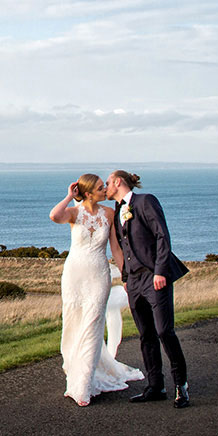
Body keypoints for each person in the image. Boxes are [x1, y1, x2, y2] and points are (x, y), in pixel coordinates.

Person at [49, 173, 142, 406]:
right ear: (89, 193)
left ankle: (83, 387)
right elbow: (54, 215)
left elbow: (116, 250)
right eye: (101, 188)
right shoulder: (74, 212)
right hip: (74, 275)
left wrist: (126, 277)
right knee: (74, 323)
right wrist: (70, 195)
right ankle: (75, 370)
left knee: (93, 324)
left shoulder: (109, 214)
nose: (105, 190)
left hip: (99, 275)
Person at [105, 170, 191, 408]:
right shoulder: (116, 212)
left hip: (155, 277)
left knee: (164, 331)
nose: (105, 187)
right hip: (133, 282)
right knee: (146, 335)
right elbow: (123, 247)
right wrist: (125, 277)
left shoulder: (146, 201)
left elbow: (162, 236)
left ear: (118, 182)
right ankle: (156, 386)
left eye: (108, 183)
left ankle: (181, 386)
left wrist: (161, 271)